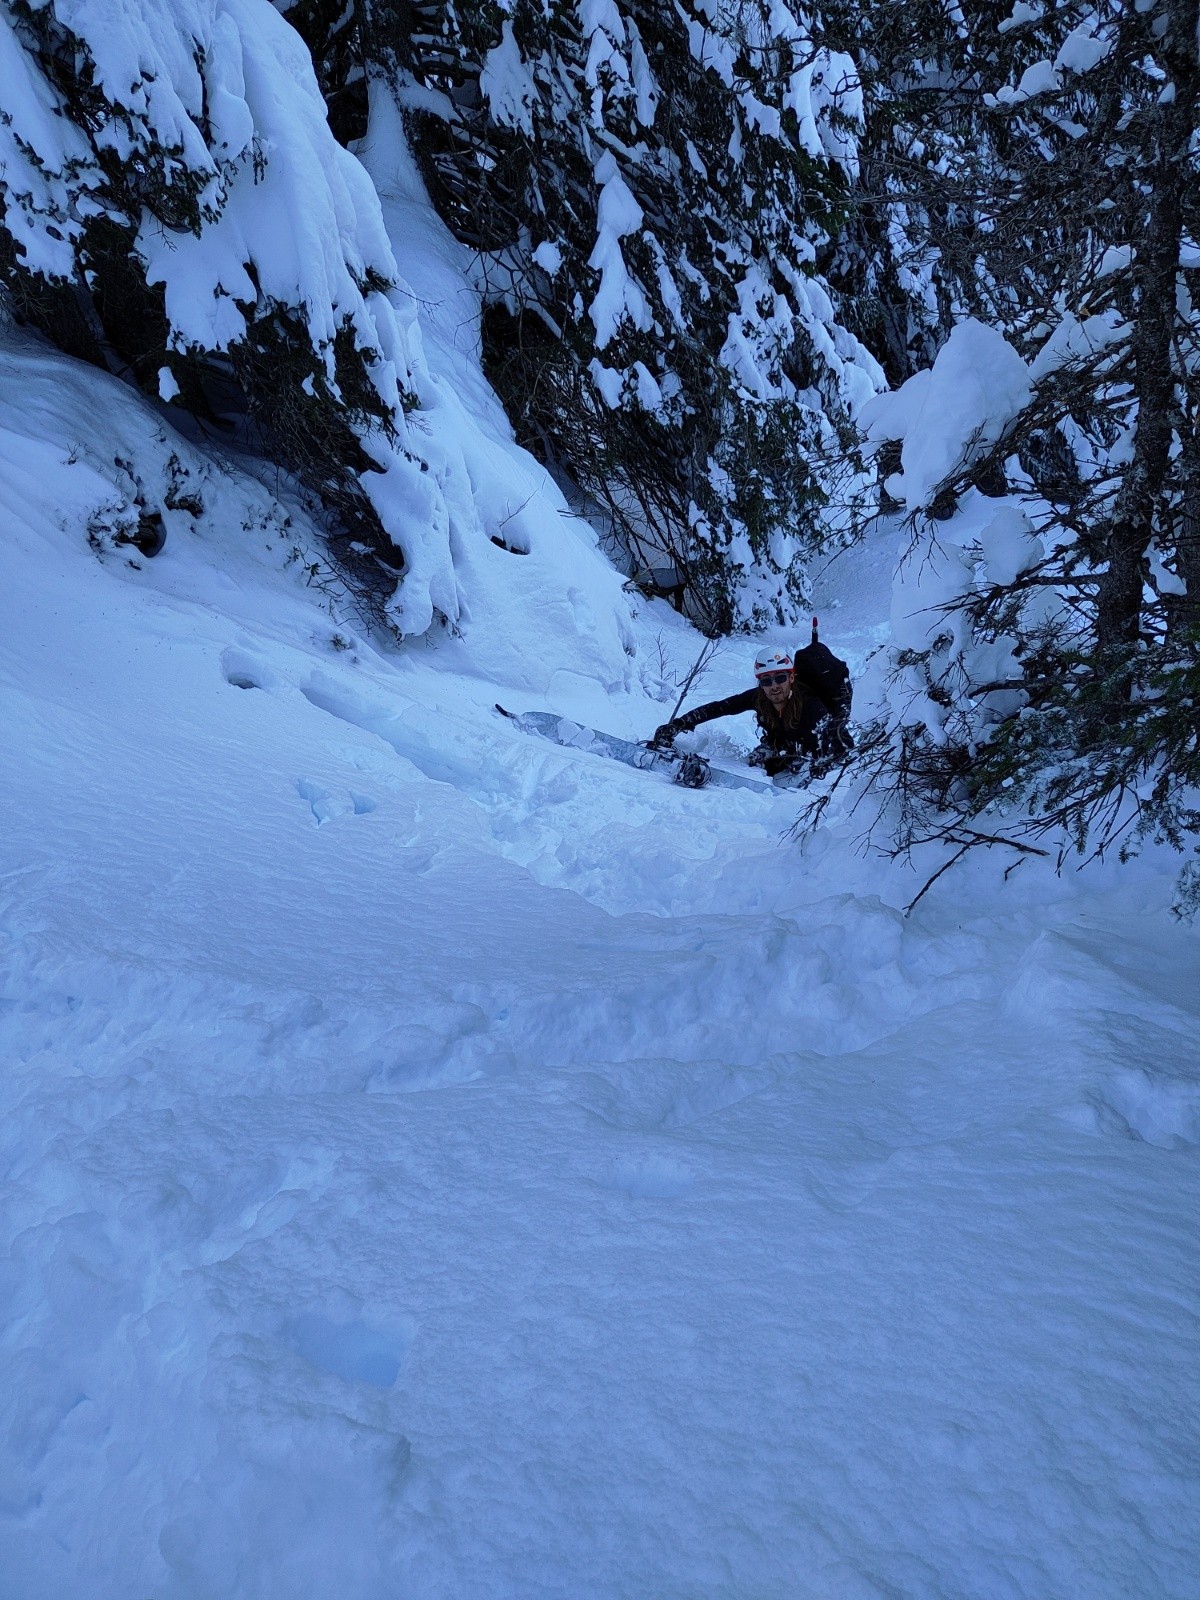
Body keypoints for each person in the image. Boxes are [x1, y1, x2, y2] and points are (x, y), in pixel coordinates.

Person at [650, 644, 851, 776]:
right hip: (780, 746)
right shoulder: (760, 697)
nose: (774, 686)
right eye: (766, 680)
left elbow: (841, 749)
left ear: (791, 678)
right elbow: (721, 707)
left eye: (780, 678)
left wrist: (818, 770)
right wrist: (680, 724)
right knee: (758, 765)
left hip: (814, 757)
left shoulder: (812, 706)